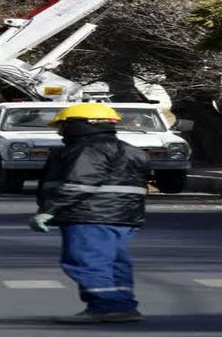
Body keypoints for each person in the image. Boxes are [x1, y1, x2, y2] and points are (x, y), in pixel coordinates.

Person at [29, 103, 150, 324]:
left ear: (80, 125)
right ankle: (122, 304)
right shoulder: (131, 149)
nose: (60, 132)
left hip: (89, 215)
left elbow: (79, 184)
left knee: (86, 261)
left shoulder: (88, 150)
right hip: (123, 217)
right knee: (114, 263)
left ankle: (106, 307)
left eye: (64, 126)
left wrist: (49, 211)